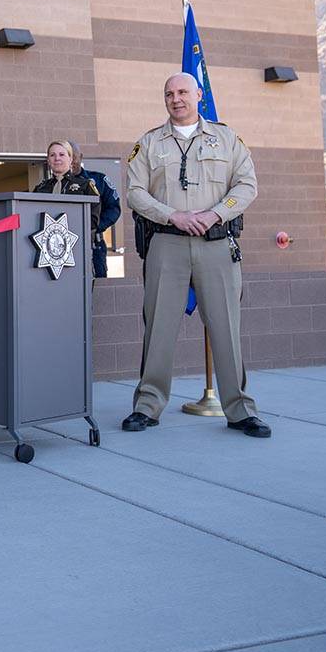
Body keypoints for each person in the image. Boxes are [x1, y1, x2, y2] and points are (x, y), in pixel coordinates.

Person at [124, 72, 268, 438]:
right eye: (169, 93)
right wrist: (172, 215)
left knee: (226, 329)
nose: (176, 98)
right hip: (166, 244)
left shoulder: (227, 139)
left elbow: (247, 184)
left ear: (198, 94)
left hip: (216, 243)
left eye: (183, 91)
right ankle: (148, 406)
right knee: (158, 328)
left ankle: (239, 410)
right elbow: (135, 192)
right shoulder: (149, 143)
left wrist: (215, 213)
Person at [69, 141, 121, 279]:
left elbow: (114, 208)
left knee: (96, 287)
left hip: (93, 244)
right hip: (64, 246)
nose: (71, 161)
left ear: (81, 157)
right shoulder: (51, 185)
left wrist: (95, 227)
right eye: (67, 156)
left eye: (74, 156)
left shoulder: (98, 180)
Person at [33, 140, 101, 235]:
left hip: (76, 242)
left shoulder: (85, 186)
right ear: (48, 160)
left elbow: (93, 221)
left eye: (62, 154)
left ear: (70, 159)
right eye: (52, 155)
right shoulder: (40, 189)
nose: (57, 158)